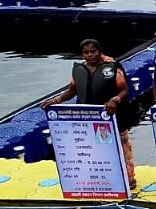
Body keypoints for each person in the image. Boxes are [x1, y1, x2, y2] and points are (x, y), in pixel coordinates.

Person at [42, 38, 136, 189]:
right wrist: (55, 101)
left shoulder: (112, 67)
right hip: (89, 117)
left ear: (99, 51)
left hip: (111, 116)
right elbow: (72, 91)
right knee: (96, 148)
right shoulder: (79, 69)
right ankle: (102, 177)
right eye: (86, 52)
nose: (90, 55)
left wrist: (115, 99)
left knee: (121, 146)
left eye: (93, 51)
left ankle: (129, 177)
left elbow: (124, 89)